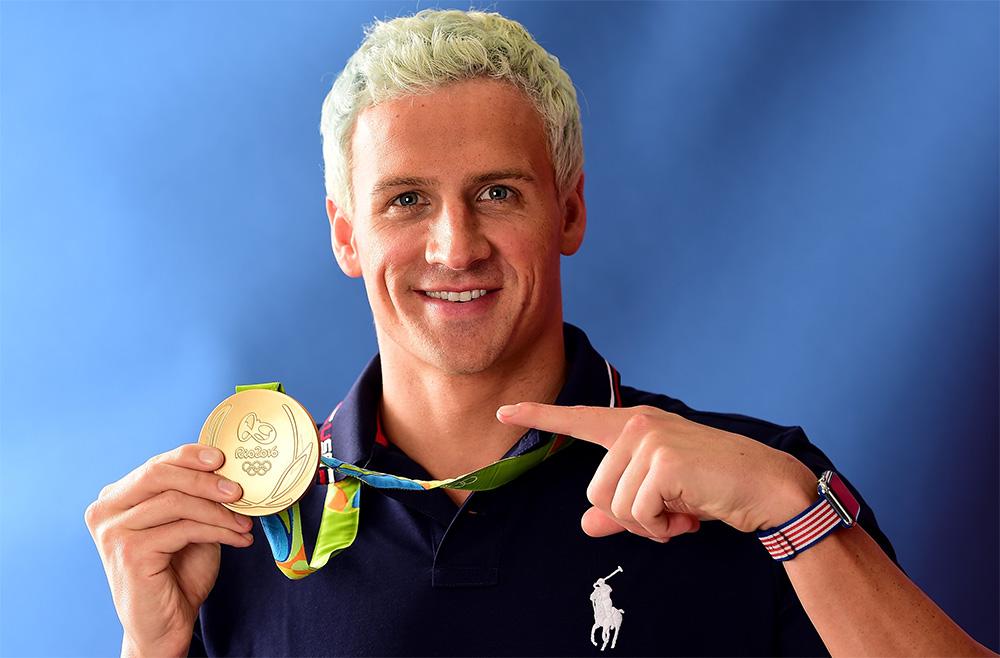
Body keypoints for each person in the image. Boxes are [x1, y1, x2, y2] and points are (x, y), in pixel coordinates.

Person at [85, 9, 996, 657]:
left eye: (497, 192)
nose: (456, 245)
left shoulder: (761, 488)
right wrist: (150, 648)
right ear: (346, 235)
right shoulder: (236, 542)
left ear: (569, 211)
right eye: (407, 200)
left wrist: (799, 518)